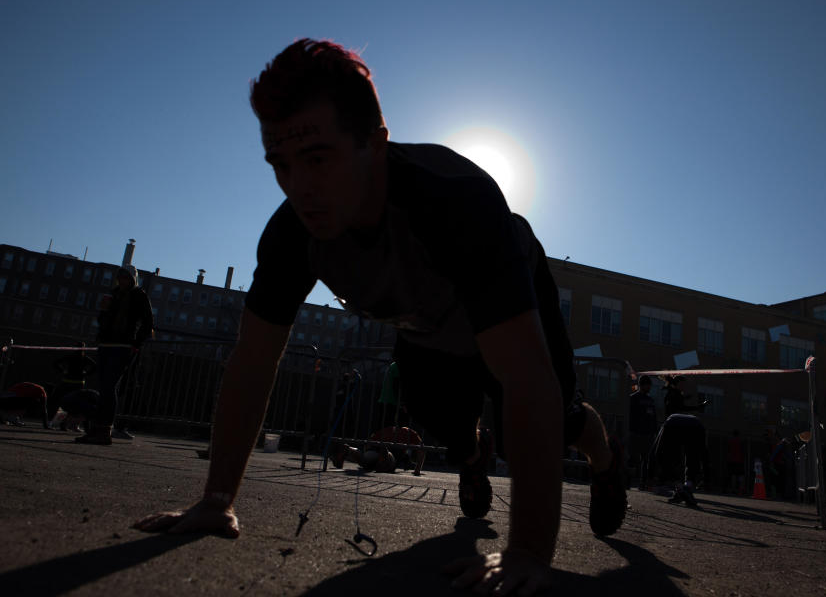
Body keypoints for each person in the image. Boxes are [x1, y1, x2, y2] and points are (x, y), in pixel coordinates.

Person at [133, 39, 627, 593]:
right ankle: (471, 456)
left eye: (318, 158)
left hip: (502, 313)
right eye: (281, 165)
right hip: (425, 328)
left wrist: (528, 552)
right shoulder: (291, 233)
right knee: (442, 423)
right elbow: (253, 360)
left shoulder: (454, 199)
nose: (299, 188)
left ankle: (607, 459)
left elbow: (528, 378)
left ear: (376, 143)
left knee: (549, 421)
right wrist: (216, 501)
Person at [76, 264, 153, 445]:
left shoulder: (138, 295)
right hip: (106, 343)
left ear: (132, 279)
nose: (122, 280)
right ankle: (96, 429)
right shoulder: (113, 294)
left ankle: (104, 430)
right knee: (103, 386)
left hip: (123, 346)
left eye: (126, 277)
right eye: (120, 277)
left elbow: (148, 322)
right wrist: (103, 312)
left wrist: (136, 343)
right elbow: (102, 319)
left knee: (109, 386)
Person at [652, 413, 706, 507]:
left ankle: (680, 489)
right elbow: (701, 454)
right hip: (698, 426)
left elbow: (658, 454)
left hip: (674, 425)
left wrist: (672, 478)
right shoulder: (693, 421)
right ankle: (687, 487)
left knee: (667, 458)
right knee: (693, 458)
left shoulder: (665, 426)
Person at [49, 342, 97, 427]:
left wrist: (63, 371)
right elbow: (95, 367)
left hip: (67, 381)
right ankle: (70, 424)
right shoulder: (84, 358)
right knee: (76, 403)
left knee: (64, 402)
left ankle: (58, 422)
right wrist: (86, 373)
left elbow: (55, 363)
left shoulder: (70, 357)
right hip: (78, 384)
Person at [628, 375, 658, 488]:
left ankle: (644, 482)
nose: (649, 387)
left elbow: (653, 416)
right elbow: (630, 415)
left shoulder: (650, 400)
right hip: (636, 432)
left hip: (648, 434)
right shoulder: (633, 398)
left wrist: (654, 430)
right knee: (632, 458)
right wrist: (631, 430)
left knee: (647, 458)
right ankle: (627, 481)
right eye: (648, 385)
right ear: (643, 385)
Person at [725, 429, 745, 495]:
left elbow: (728, 450)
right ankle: (741, 489)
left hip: (731, 460)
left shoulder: (730, 441)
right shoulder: (740, 441)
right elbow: (743, 451)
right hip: (739, 460)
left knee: (733, 475)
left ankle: (733, 489)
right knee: (740, 475)